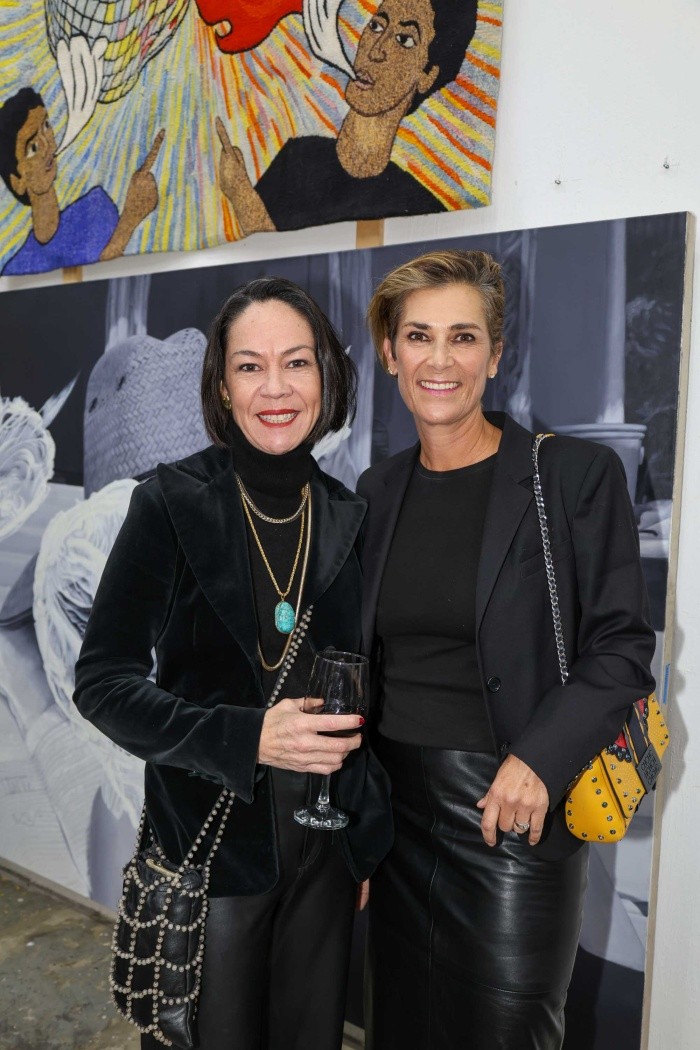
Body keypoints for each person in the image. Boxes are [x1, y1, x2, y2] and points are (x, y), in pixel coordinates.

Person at [73, 276, 392, 1050]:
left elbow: (367, 693)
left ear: (327, 375)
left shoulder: (350, 515)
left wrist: (361, 841)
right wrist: (245, 736)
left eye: (296, 363)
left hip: (324, 858)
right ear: (222, 385)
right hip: (212, 861)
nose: (275, 388)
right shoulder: (171, 504)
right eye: (251, 366)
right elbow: (103, 685)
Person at [357, 249, 656, 1049]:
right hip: (393, 818)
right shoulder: (376, 491)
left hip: (512, 814)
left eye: (463, 337)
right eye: (418, 336)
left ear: (495, 355)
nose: (440, 360)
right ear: (390, 354)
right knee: (399, 1029)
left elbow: (622, 647)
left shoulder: (573, 476)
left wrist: (539, 760)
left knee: (507, 1031)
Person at [216, 0, 478, 234]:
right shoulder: (297, 159)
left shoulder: (420, 205)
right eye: (376, 26)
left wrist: (241, 196)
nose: (375, 50)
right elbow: (266, 261)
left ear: (427, 76)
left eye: (404, 40)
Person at [0, 87, 163, 275]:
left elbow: (116, 271)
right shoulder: (18, 267)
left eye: (46, 126)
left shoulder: (97, 207)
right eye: (33, 147)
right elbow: (92, 278)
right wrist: (130, 219)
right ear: (17, 182)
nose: (47, 145)